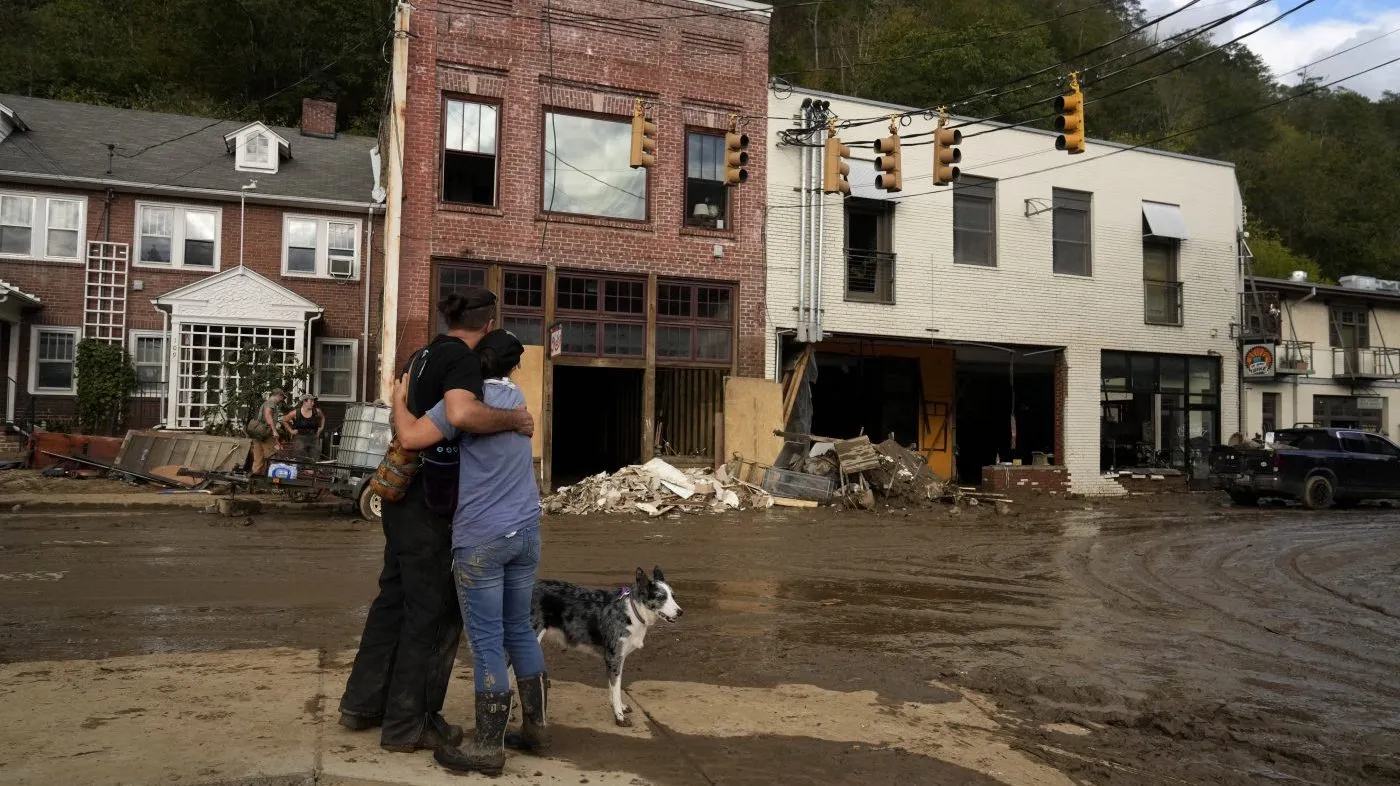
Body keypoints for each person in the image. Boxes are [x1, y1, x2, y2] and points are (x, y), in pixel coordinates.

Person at [338, 288, 534, 754]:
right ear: (488, 325)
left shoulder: (422, 355)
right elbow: (462, 412)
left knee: (393, 602)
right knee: (434, 614)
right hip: (433, 506)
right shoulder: (462, 362)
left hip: (401, 502)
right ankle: (410, 723)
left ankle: (363, 703)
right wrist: (514, 420)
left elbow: (404, 416)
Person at [391, 329, 548, 777]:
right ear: (514, 366)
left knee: (485, 642)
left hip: (482, 538)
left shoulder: (461, 406)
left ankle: (487, 746)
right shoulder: (519, 403)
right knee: (518, 627)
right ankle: (536, 728)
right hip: (526, 532)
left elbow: (410, 438)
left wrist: (399, 397)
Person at [250, 388, 285, 475]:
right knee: (272, 455)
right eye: (282, 397)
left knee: (258, 458)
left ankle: (255, 479)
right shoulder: (270, 403)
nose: (282, 400)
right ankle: (273, 478)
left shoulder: (264, 403)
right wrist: (274, 431)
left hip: (257, 434)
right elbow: (268, 415)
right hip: (265, 434)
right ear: (278, 395)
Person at [282, 394, 325, 459]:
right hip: (300, 437)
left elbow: (323, 417)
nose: (313, 403)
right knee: (300, 458)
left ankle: (313, 469)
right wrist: (291, 431)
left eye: (313, 401)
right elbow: (284, 420)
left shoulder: (317, 411)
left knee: (315, 457)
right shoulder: (295, 413)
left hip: (313, 437)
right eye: (311, 401)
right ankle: (301, 468)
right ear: (305, 402)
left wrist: (321, 428)